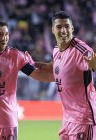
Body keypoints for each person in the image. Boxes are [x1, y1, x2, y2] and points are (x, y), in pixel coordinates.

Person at [29, 11, 96, 139]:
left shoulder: (81, 49)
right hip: (67, 118)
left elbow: (92, 61)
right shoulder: (56, 50)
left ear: (72, 28)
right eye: (59, 27)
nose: (63, 30)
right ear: (53, 30)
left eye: (66, 26)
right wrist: (33, 64)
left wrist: (94, 63)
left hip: (83, 119)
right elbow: (57, 68)